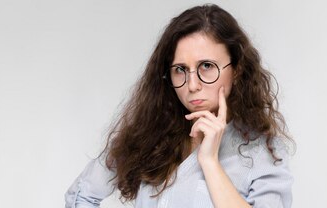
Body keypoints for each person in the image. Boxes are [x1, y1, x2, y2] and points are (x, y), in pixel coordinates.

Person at [65, 4, 294, 208]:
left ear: (237, 70)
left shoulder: (263, 153)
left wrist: (209, 163)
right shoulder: (148, 135)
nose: (192, 85)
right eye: (180, 70)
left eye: (206, 66)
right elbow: (81, 195)